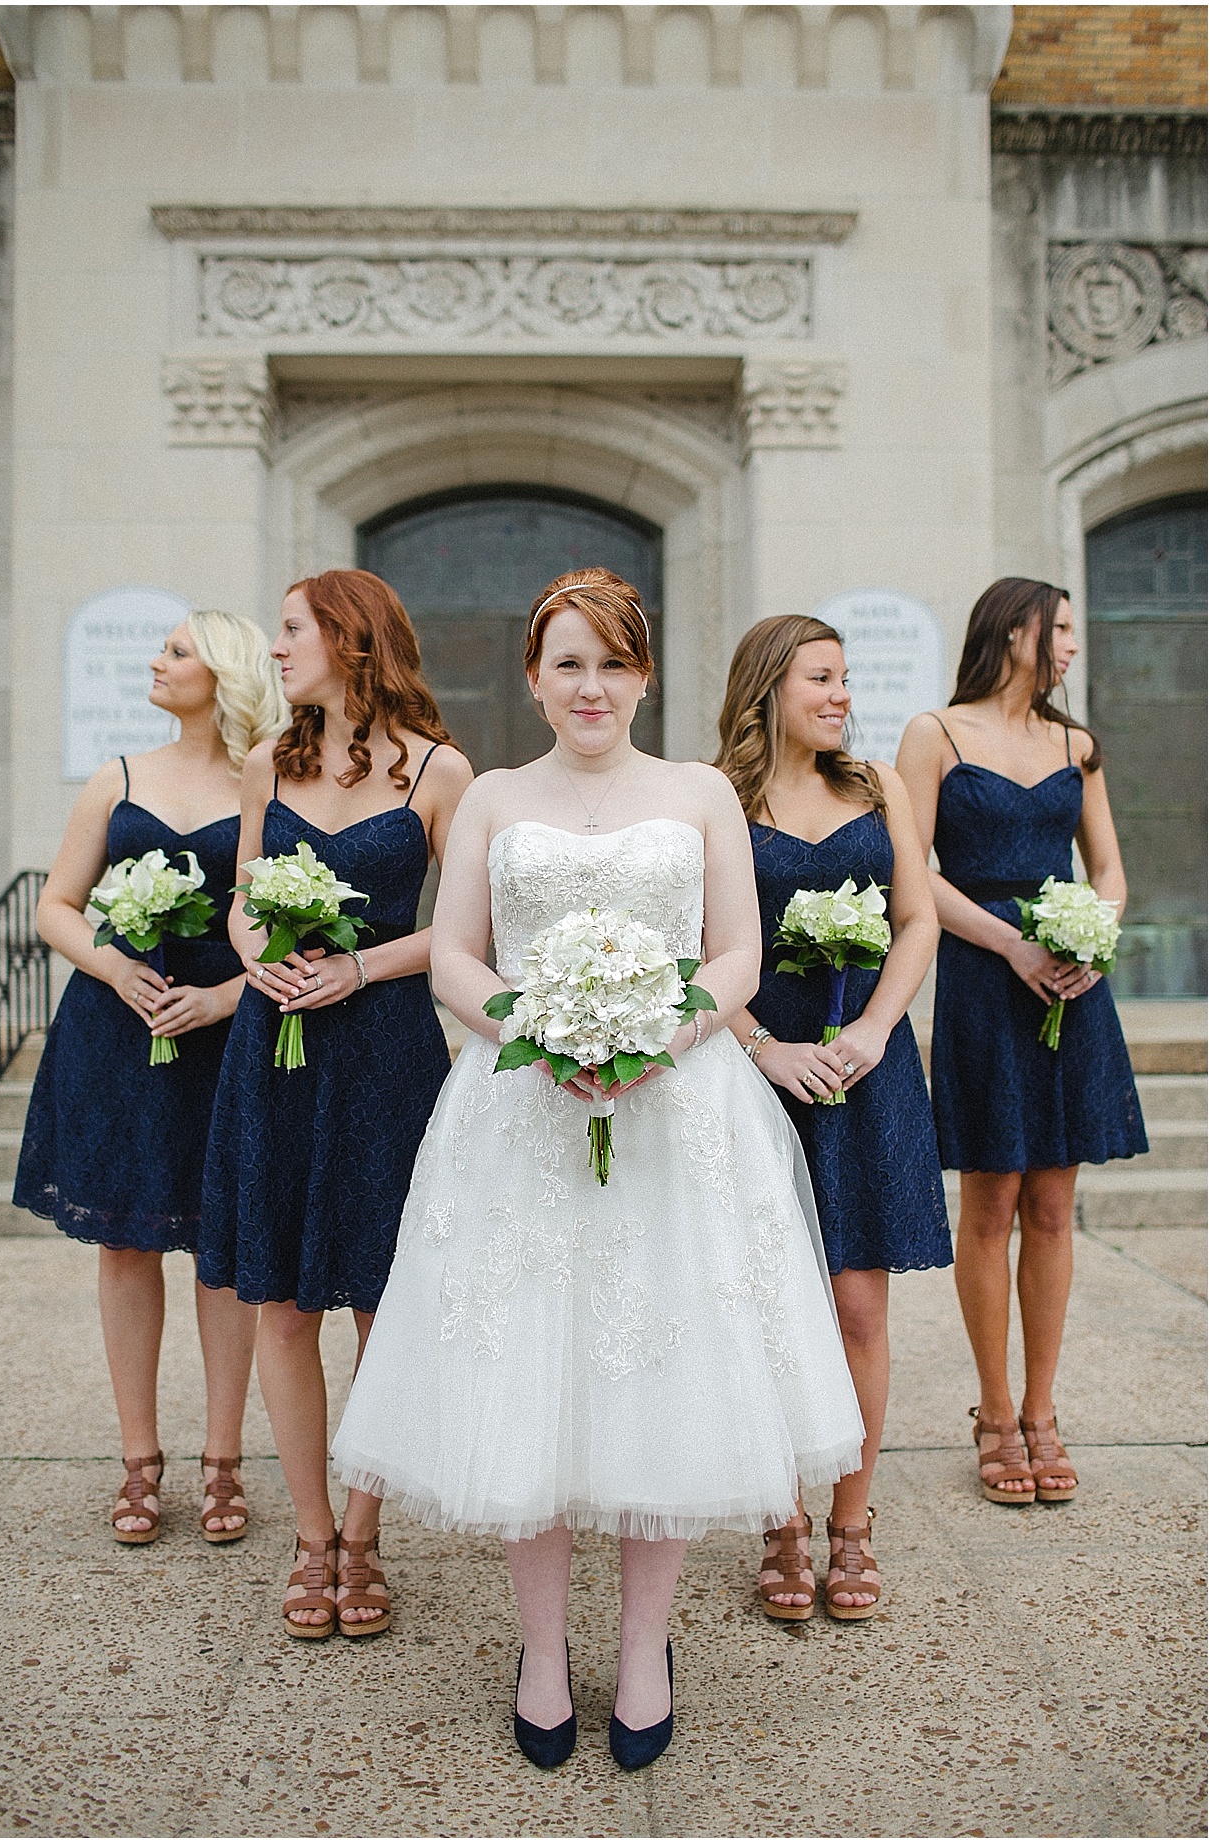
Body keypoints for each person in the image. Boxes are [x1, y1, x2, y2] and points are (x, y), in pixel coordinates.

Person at [331, 568, 862, 1771]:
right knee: (525, 1379)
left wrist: (653, 1039)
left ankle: (639, 1649)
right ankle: (534, 1648)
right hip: (518, 1111)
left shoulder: (696, 796)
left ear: (644, 674)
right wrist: (540, 1028)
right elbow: (452, 959)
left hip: (675, 1116)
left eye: (611, 662)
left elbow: (735, 953)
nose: (589, 685)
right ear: (532, 677)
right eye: (566, 663)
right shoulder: (491, 797)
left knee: (660, 1382)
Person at [195, 571, 470, 1641]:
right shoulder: (271, 761)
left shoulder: (441, 772)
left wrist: (359, 970)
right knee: (280, 1301)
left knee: (376, 1302)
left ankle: (363, 1529)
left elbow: (466, 932)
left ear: (351, 640)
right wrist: (255, 951)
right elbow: (241, 897)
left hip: (384, 1050)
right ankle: (310, 1535)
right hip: (274, 1047)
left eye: (292, 629)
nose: (276, 648)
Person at [15, 611, 283, 1554]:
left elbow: (286, 917)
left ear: (222, 674)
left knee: (220, 1248)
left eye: (177, 651)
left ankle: (223, 1460)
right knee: (125, 1245)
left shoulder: (267, 781)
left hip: (219, 1031)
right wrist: (116, 967)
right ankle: (139, 1459)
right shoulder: (117, 777)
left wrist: (222, 997)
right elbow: (55, 904)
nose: (157, 662)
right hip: (115, 1028)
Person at [713, 614, 948, 1622]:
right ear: (769, 687)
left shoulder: (875, 787)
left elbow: (916, 917)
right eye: (822, 678)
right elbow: (696, 947)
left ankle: (849, 1524)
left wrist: (877, 1028)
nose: (842, 695)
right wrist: (763, 1046)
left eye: (845, 677)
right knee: (767, 1304)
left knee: (857, 1304)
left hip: (864, 1068)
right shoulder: (716, 798)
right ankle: (781, 1521)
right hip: (755, 1069)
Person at [895, 578, 1147, 1512]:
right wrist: (1010, 941)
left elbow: (1110, 867)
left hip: (1072, 987)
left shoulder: (1077, 745)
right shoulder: (936, 735)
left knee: (1052, 1204)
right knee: (991, 1202)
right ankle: (994, 1415)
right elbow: (908, 868)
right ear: (1013, 630)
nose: (1073, 645)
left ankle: (1044, 1413)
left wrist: (1092, 936)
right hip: (982, 980)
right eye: (1062, 628)